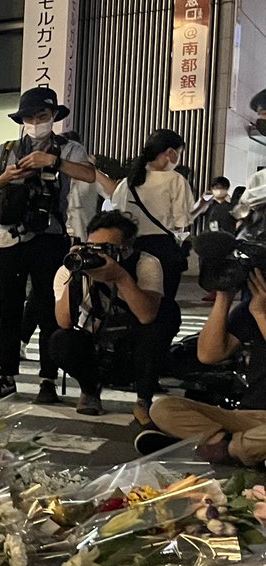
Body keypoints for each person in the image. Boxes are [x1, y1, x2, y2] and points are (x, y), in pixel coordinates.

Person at [0, 87, 96, 402]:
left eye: (41, 116)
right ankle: (6, 377)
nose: (34, 122)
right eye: (28, 117)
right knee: (9, 312)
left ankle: (48, 381)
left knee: (47, 312)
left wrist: (51, 161)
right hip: (7, 240)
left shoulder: (69, 148)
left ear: (53, 116)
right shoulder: (6, 150)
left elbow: (89, 174)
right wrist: (7, 177)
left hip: (50, 239)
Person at [49, 211, 178, 423]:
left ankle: (144, 399)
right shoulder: (70, 269)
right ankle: (89, 391)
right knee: (60, 341)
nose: (96, 255)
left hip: (133, 347)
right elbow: (64, 322)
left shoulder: (144, 264)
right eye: (91, 247)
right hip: (95, 345)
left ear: (126, 249)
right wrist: (75, 275)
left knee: (167, 315)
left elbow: (146, 316)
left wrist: (120, 276)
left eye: (105, 249)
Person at [140, 270, 266, 465]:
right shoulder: (255, 305)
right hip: (249, 416)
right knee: (163, 408)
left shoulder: (259, 309)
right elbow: (209, 354)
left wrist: (260, 315)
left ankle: (221, 449)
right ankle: (226, 447)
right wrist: (224, 297)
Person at [108, 129, 194, 309]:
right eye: (178, 154)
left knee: (135, 301)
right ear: (170, 153)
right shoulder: (176, 180)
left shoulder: (128, 182)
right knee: (163, 303)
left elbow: (117, 213)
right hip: (163, 249)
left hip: (131, 248)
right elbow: (182, 222)